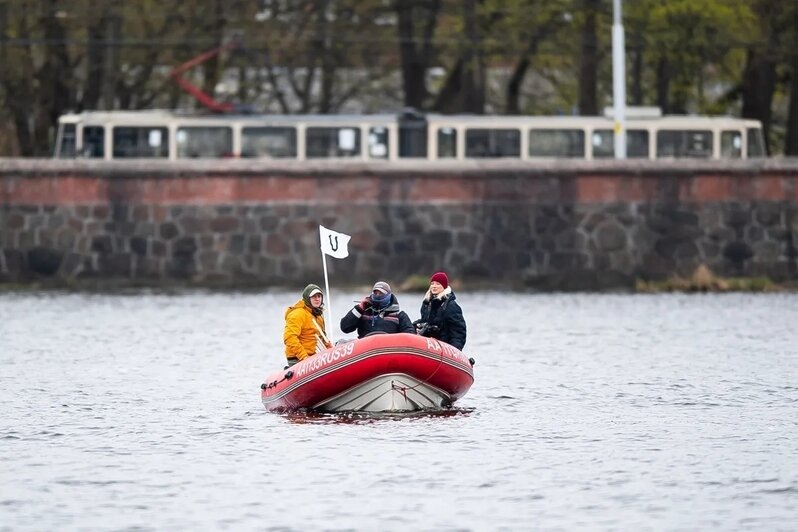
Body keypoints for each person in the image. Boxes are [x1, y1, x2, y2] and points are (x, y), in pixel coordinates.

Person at [340, 281, 415, 338]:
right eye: (375, 293)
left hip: (390, 349)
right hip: (365, 349)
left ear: (388, 295)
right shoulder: (362, 312)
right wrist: (359, 308)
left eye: (381, 293)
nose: (378, 295)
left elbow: (410, 335)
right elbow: (345, 328)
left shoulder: (399, 315)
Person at [283, 284, 333, 367]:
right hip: (298, 359)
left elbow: (322, 337)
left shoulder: (318, 315)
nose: (317, 299)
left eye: (319, 296)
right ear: (307, 298)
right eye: (314, 297)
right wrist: (304, 357)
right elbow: (289, 338)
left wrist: (331, 349)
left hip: (314, 356)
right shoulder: (298, 314)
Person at [417, 271, 467, 350]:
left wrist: (455, 350)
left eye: (438, 284)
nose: (434, 286)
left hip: (445, 347)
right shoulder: (427, 303)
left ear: (444, 286)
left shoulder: (451, 305)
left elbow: (458, 332)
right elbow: (425, 321)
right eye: (432, 284)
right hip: (429, 345)